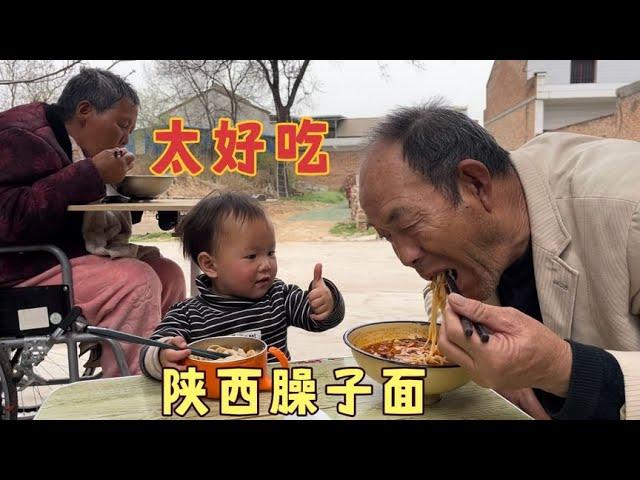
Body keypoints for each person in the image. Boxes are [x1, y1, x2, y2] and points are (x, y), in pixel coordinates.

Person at [358, 99, 640, 420]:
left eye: (408, 224)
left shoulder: (629, 205)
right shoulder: (471, 256)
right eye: (387, 236)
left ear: (476, 184)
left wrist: (562, 368)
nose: (405, 257)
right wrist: (510, 380)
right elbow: (442, 298)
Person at [0, 68, 186, 377]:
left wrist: (119, 190)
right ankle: (127, 399)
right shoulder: (20, 135)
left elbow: (69, 207)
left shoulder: (70, 144)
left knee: (169, 274)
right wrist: (92, 174)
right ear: (85, 111)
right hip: (19, 270)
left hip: (58, 256)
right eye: (122, 125)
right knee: (136, 283)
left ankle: (163, 373)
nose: (125, 138)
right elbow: (8, 216)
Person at [140, 192, 345, 379]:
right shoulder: (188, 314)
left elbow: (320, 321)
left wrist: (326, 302)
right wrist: (162, 355)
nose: (266, 264)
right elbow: (151, 349)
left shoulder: (279, 297)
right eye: (252, 256)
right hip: (214, 405)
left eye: (270, 252)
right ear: (210, 265)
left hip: (273, 399)